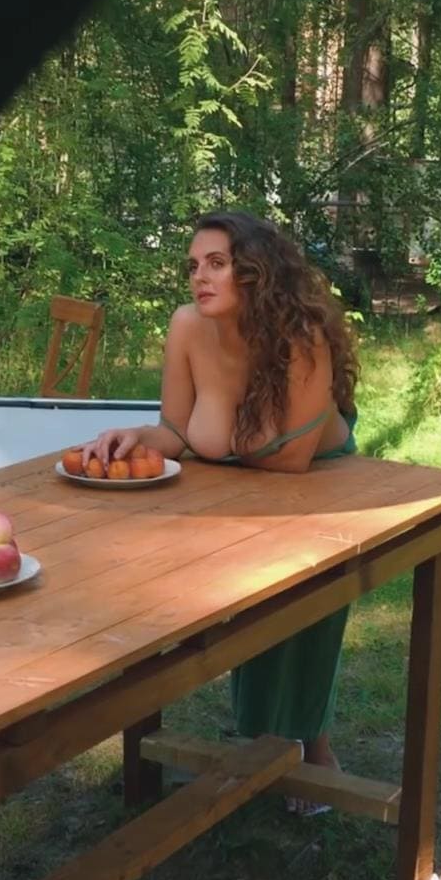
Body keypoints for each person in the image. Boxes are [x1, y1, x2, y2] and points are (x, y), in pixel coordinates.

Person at [80, 211, 360, 814]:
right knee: (235, 594)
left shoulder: (302, 336)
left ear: (255, 272)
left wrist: (214, 439)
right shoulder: (186, 326)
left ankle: (312, 745)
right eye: (192, 266)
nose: (198, 278)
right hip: (235, 485)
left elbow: (289, 461)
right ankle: (272, 743)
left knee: (306, 598)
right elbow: (176, 432)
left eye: (216, 264)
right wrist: (135, 437)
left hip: (318, 481)